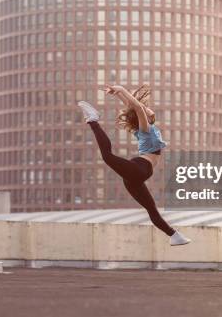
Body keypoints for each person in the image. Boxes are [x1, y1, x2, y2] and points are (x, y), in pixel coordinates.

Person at [77, 84, 191, 246]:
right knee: (108, 156)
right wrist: (122, 90)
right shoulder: (146, 128)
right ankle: (93, 121)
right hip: (139, 169)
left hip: (135, 176)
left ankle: (174, 236)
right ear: (144, 116)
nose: (147, 108)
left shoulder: (146, 127)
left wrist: (119, 95)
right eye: (145, 109)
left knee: (151, 209)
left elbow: (134, 106)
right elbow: (136, 107)